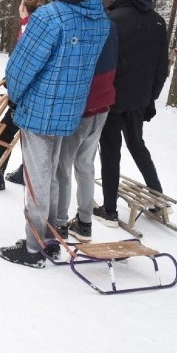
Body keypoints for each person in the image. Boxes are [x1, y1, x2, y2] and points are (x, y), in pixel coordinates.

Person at [0, 0, 109, 268]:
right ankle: (50, 236)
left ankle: (34, 248)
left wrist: (14, 98)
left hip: (40, 112)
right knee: (55, 174)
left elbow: (20, 67)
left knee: (37, 179)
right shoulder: (98, 18)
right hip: (71, 110)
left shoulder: (49, 17)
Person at [96, 0, 169, 226]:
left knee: (111, 150)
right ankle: (157, 197)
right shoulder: (158, 22)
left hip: (112, 99)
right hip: (138, 99)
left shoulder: (111, 20)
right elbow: (162, 68)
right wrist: (150, 99)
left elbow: (101, 63)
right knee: (137, 145)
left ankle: (109, 210)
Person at [55, 21, 118, 242]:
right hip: (102, 104)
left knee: (63, 166)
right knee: (85, 165)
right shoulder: (109, 26)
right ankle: (84, 222)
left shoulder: (84, 27)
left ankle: (60, 223)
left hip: (81, 107)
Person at [0, 0, 44, 192]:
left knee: (6, 130)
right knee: (25, 133)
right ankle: (25, 172)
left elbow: (25, 63)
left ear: (24, 8)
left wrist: (14, 83)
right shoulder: (37, 27)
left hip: (24, 94)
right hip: (32, 92)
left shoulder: (29, 29)